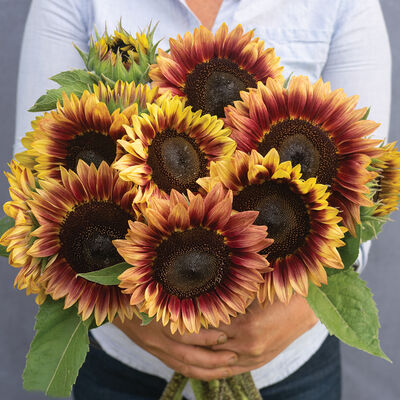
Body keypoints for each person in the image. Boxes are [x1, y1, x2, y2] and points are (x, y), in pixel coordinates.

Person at [15, 0, 391, 399]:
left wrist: (306, 309)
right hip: (127, 366)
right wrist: (132, 316)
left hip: (289, 365)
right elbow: (39, 180)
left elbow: (366, 184)